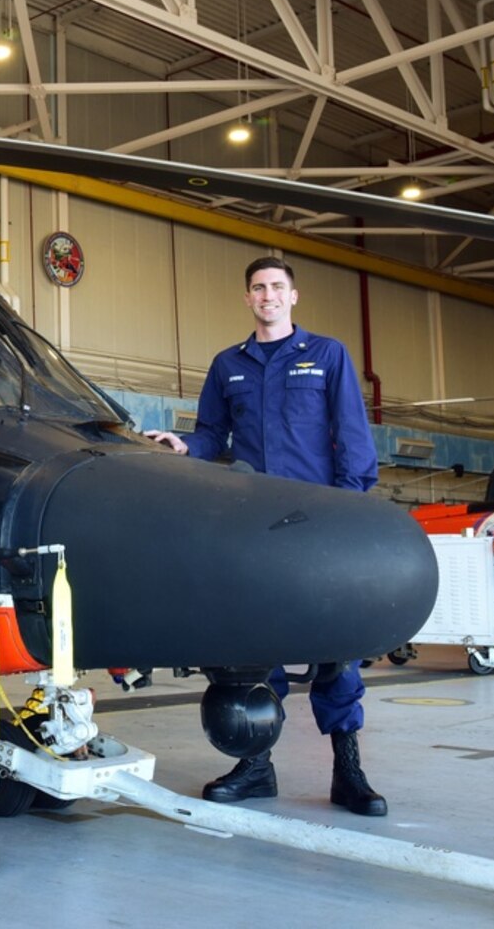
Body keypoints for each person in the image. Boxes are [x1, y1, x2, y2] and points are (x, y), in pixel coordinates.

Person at [146, 255, 387, 816]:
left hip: (317, 518)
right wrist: (184, 447)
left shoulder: (326, 354)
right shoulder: (228, 364)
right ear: (248, 298)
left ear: (293, 296)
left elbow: (351, 431)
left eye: (277, 287)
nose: (268, 296)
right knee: (258, 647)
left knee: (337, 647)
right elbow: (210, 434)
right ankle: (257, 767)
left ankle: (348, 770)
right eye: (258, 288)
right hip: (255, 523)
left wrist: (350, 504)